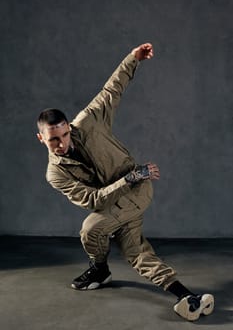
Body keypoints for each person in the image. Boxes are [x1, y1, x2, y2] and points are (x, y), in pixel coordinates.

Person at [37, 42, 214, 321]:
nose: (61, 143)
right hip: (122, 191)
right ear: (41, 139)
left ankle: (99, 269)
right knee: (135, 252)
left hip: (138, 190)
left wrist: (134, 58)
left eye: (64, 135)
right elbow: (93, 201)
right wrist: (130, 176)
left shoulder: (90, 121)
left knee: (91, 229)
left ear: (69, 127)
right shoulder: (55, 173)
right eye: (53, 140)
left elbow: (111, 89)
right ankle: (187, 297)